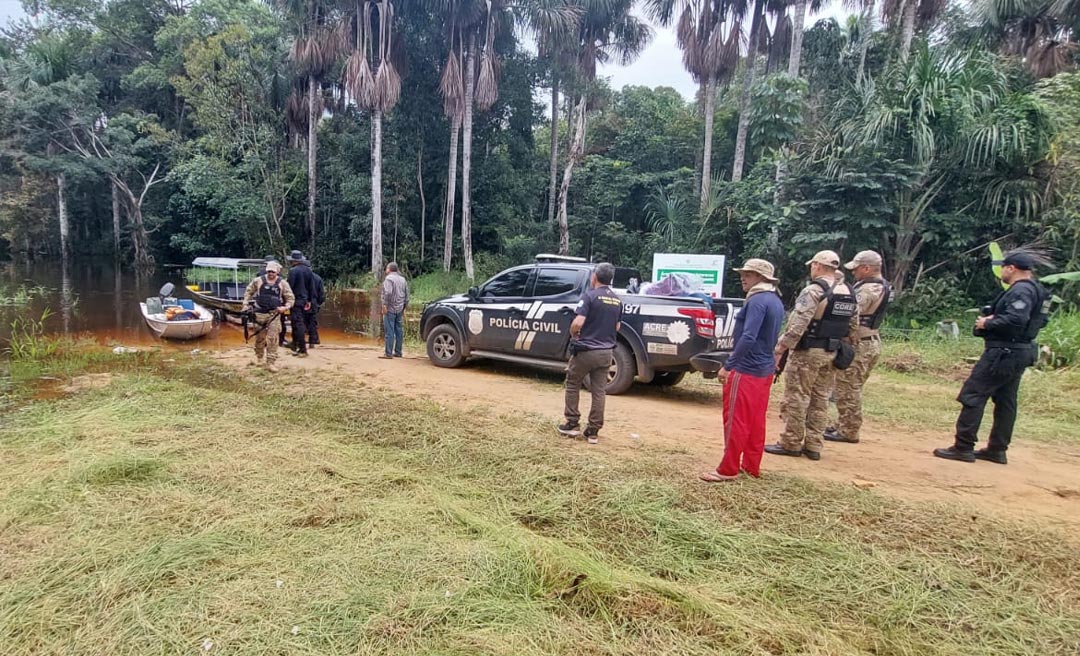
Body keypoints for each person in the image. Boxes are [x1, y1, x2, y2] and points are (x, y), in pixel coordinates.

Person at [934, 252, 1050, 464]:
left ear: (1011, 268)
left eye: (1004, 268)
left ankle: (963, 446)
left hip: (1004, 352)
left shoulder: (1021, 290)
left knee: (973, 394)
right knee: (1006, 400)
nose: (1002, 273)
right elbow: (1040, 321)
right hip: (1021, 350)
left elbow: (1016, 318)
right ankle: (997, 449)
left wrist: (987, 323)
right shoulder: (1039, 291)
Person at [766, 250, 858, 461]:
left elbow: (798, 324)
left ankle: (791, 442)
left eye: (812, 265)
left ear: (817, 266)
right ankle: (814, 445)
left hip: (807, 352)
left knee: (797, 397)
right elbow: (853, 326)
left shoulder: (814, 290)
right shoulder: (848, 291)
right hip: (832, 352)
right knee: (821, 398)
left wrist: (780, 348)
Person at [700, 259, 785, 482]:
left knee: (736, 420)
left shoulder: (756, 301)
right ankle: (751, 466)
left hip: (746, 369)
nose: (743, 277)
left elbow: (748, 336)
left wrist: (729, 365)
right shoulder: (775, 300)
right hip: (764, 369)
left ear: (761, 277)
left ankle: (728, 469)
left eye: (749, 274)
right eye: (744, 273)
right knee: (756, 421)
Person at [824, 250, 891, 444]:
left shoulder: (868, 289)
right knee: (851, 385)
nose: (854, 273)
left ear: (867, 268)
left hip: (860, 343)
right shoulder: (884, 286)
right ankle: (843, 424)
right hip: (871, 341)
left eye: (857, 269)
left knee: (848, 387)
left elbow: (851, 313)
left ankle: (849, 430)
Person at [558, 262, 623, 445]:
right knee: (599, 391)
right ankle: (593, 431)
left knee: (573, 383)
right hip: (606, 353)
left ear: (594, 276)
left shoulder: (590, 296)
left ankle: (572, 423)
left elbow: (578, 322)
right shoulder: (617, 300)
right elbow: (617, 326)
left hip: (586, 350)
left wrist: (574, 334)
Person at [241, 261, 295, 373]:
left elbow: (291, 299)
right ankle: (259, 357)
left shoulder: (283, 283)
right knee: (260, 338)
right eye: (269, 271)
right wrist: (245, 304)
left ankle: (271, 362)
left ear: (277, 272)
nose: (271, 274)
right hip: (259, 313)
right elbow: (248, 292)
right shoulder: (258, 281)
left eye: (273, 272)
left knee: (273, 339)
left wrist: (285, 307)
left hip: (274, 314)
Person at [286, 250, 316, 358]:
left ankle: (302, 349)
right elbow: (311, 288)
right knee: (298, 322)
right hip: (304, 301)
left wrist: (286, 300)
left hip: (295, 300)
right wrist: (309, 301)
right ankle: (295, 344)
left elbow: (289, 287)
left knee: (298, 324)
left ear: (293, 261)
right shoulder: (308, 271)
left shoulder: (293, 271)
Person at [380, 262, 409, 359]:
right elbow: (407, 296)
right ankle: (398, 352)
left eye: (386, 268)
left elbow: (388, 293)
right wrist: (404, 307)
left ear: (389, 269)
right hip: (400, 308)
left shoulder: (389, 279)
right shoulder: (403, 279)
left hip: (390, 309)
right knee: (399, 331)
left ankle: (388, 354)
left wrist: (384, 305)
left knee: (389, 332)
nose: (385, 270)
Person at [306, 266, 325, 347]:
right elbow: (321, 294)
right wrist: (318, 304)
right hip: (314, 303)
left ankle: (307, 340)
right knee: (312, 322)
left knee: (303, 321)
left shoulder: (303, 278)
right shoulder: (318, 278)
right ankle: (313, 340)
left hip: (305, 302)